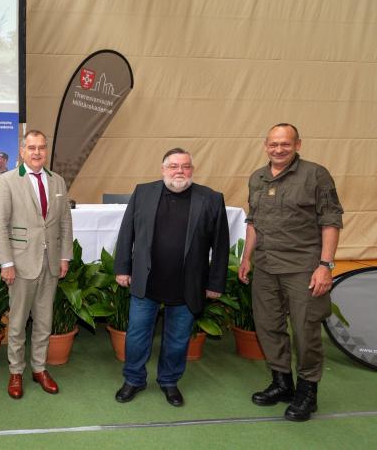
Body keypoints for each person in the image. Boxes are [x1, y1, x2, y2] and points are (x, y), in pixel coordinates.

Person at [239, 123, 343, 422]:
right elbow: (254, 221)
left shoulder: (315, 174)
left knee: (305, 330)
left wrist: (325, 266)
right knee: (268, 325)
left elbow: (331, 221)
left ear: (298, 144)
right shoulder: (257, 177)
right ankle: (282, 383)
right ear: (265, 145)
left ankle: (308, 392)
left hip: (304, 267)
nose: (279, 149)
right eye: (273, 144)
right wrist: (247, 258)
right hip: (267, 265)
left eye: (285, 144)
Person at [114, 148, 229, 406]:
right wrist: (123, 267)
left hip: (187, 285)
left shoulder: (211, 198)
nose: (180, 171)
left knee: (177, 340)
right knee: (136, 336)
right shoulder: (143, 192)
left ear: (192, 170)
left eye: (185, 166)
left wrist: (215, 283)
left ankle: (169, 381)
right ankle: (133, 379)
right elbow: (127, 232)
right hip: (147, 281)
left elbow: (221, 245)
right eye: (174, 166)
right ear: (163, 169)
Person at [0, 129, 73, 400]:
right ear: (22, 152)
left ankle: (39, 368)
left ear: (46, 151)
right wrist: (6, 262)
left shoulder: (57, 181)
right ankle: (16, 371)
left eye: (41, 148)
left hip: (49, 263)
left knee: (44, 321)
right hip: (21, 262)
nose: (37, 152)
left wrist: (64, 256)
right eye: (31, 148)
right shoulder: (7, 180)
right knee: (16, 323)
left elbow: (64, 222)